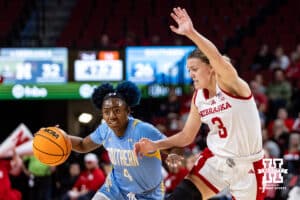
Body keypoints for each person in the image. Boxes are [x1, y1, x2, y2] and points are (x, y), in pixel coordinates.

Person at [134, 7, 265, 200]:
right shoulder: (198, 98)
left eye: (194, 68)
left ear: (211, 68)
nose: (191, 74)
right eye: (188, 70)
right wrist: (156, 145)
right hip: (216, 160)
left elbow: (216, 57)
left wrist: (191, 33)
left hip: (248, 166)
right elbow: (187, 136)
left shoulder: (231, 84)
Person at [67, 81, 166, 200]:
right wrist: (61, 137)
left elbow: (172, 146)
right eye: (106, 112)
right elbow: (83, 145)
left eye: (117, 110)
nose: (112, 116)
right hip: (115, 189)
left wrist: (174, 154)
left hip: (146, 194)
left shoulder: (143, 130)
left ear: (128, 111)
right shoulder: (104, 130)